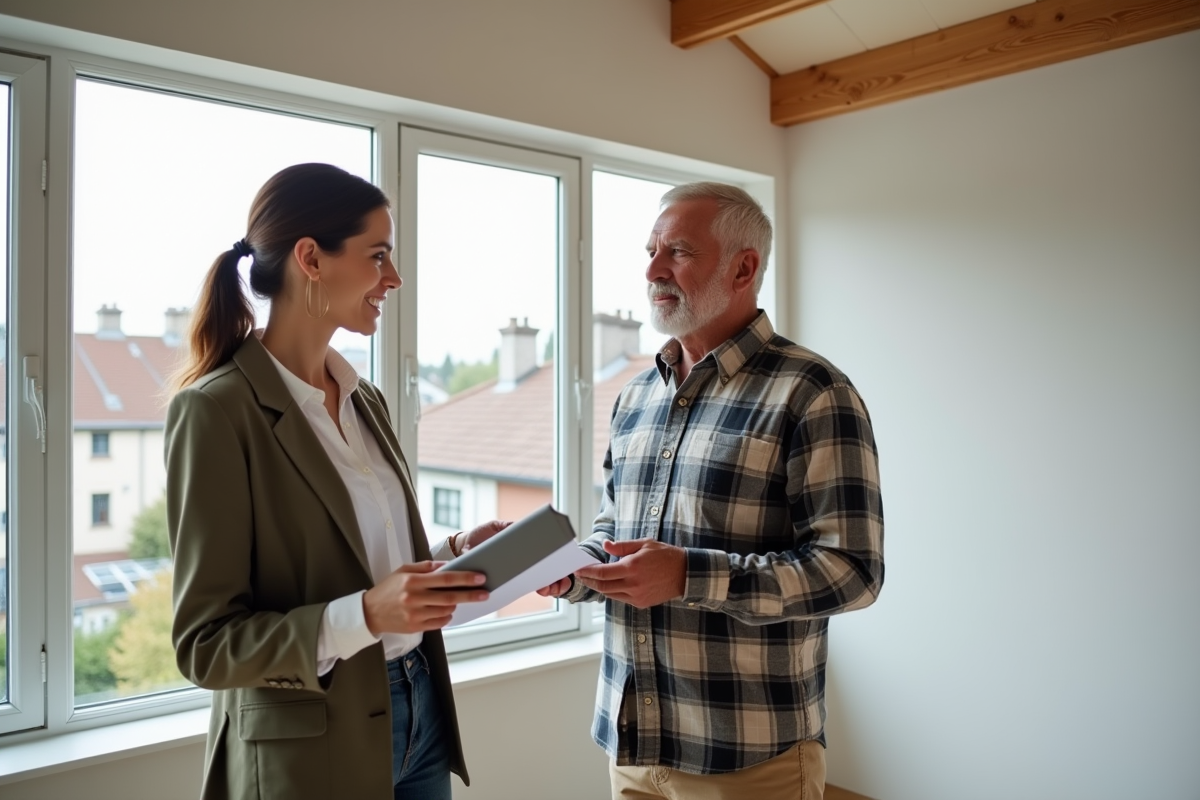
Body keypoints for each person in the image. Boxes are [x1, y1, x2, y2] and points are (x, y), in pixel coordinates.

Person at [166, 163, 504, 800]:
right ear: (310, 259)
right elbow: (206, 646)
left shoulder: (363, 399)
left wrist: (451, 558)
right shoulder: (215, 410)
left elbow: (353, 571)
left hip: (421, 713)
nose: (394, 278)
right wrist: (369, 614)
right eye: (378, 255)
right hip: (311, 745)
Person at [540, 182, 884, 799]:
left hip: (749, 759)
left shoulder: (813, 392)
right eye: (650, 249)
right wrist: (575, 572)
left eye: (677, 251)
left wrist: (688, 577)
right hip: (632, 744)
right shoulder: (636, 396)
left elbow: (852, 571)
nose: (651, 269)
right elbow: (613, 532)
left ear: (743, 267)